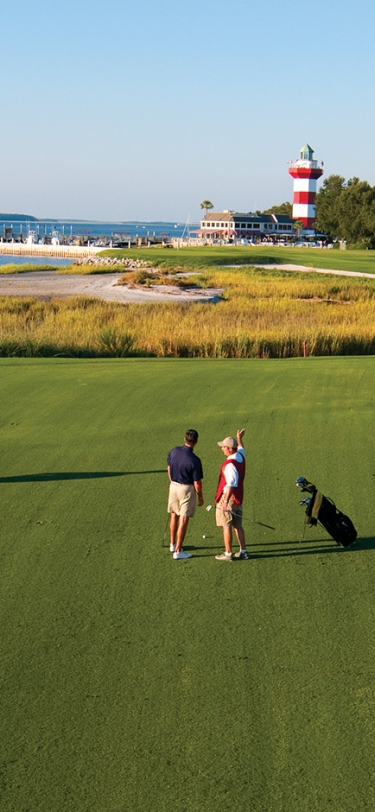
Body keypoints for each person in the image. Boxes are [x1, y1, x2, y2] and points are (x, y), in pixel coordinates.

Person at [167, 429, 204, 560]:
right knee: (183, 519)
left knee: (173, 515)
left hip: (173, 486)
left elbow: (169, 469)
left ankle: (172, 544)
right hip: (186, 489)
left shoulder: (174, 451)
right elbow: (197, 482)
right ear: (196, 442)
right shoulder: (194, 460)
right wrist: (200, 497)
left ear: (185, 439)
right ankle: (178, 551)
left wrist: (172, 482)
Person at [214, 429, 247, 561]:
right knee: (237, 525)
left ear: (229, 448)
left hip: (230, 497)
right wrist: (239, 438)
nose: (222, 449)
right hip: (238, 498)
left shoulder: (230, 465)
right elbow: (241, 448)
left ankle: (228, 553)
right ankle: (243, 551)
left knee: (226, 524)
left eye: (223, 447)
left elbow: (231, 484)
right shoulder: (240, 456)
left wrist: (225, 502)